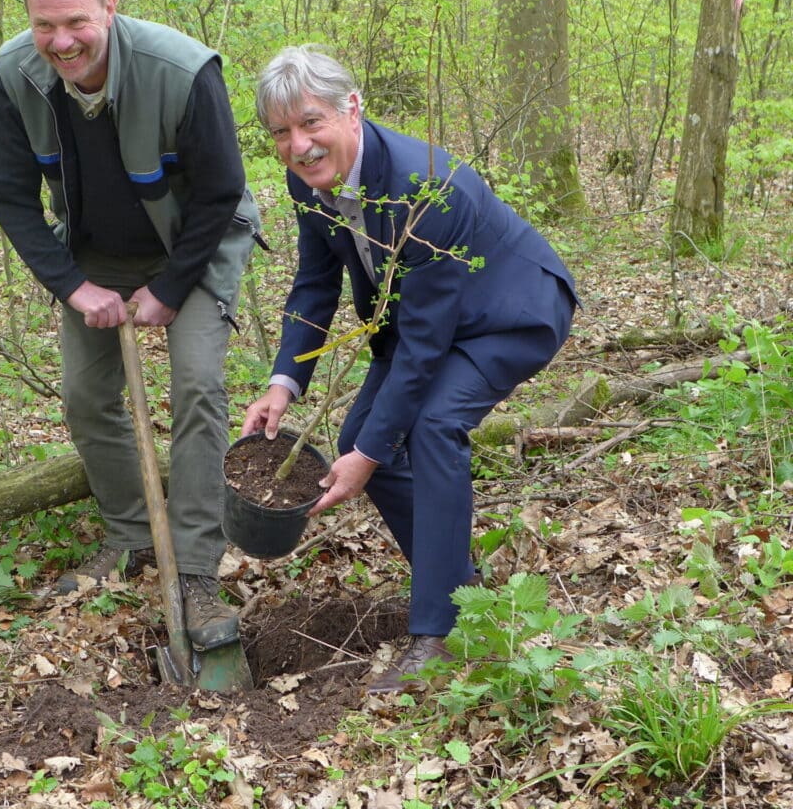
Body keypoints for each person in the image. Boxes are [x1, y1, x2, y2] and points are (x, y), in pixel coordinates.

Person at [242, 45, 577, 695]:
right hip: (426, 321)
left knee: (428, 428)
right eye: (281, 132)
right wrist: (284, 380)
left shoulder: (430, 189)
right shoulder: (307, 182)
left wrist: (371, 452)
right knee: (359, 440)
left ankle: (443, 633)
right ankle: (458, 587)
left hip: (511, 310)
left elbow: (424, 350)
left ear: (353, 109)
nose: (299, 145)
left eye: (311, 123)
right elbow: (315, 283)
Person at [0, 0, 263, 652]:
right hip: (95, 249)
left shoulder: (183, 70)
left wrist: (169, 290)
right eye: (46, 25)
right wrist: (74, 286)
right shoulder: (17, 75)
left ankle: (196, 567)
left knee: (196, 385)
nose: (62, 41)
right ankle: (134, 535)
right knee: (84, 394)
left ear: (110, 6)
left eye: (75, 20)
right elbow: (8, 194)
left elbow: (223, 191)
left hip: (193, 242)